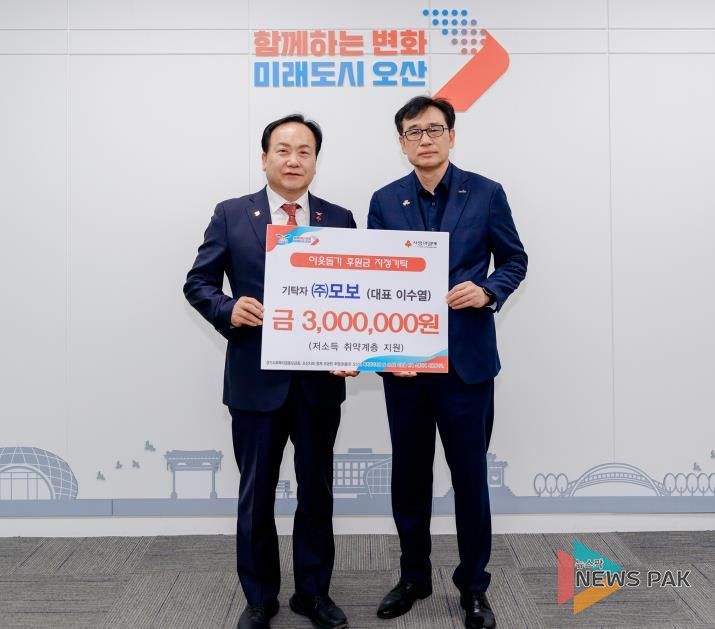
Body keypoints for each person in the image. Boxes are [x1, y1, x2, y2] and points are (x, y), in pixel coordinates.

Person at [184, 114, 357, 629]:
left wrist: (357, 346)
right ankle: (259, 597)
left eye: (304, 151)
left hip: (319, 382)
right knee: (256, 495)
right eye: (283, 150)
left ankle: (313, 593)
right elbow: (198, 283)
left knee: (317, 492)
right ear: (264, 158)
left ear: (316, 161)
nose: (293, 160)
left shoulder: (339, 219)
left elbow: (355, 296)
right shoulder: (232, 214)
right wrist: (228, 308)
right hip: (255, 382)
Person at [367, 96, 527, 629]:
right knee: (409, 477)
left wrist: (488, 290)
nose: (425, 139)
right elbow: (375, 280)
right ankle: (413, 576)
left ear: (452, 136)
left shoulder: (486, 192)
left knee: (470, 479)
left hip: (466, 364)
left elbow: (515, 259)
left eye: (434, 129)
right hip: (406, 365)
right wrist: (381, 349)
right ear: (402, 142)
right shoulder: (384, 201)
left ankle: (474, 587)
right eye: (414, 132)